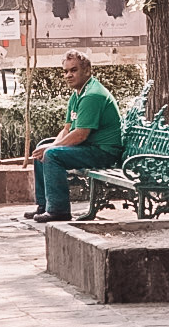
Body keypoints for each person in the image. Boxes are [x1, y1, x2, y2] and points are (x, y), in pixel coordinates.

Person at [28, 50, 122, 223]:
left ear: (87, 71)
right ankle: (44, 205)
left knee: (51, 154)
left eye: (73, 70)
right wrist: (48, 147)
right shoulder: (78, 93)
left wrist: (51, 149)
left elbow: (80, 135)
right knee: (42, 148)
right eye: (65, 71)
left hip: (105, 153)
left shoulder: (92, 95)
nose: (68, 75)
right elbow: (67, 130)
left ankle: (59, 211)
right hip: (90, 147)